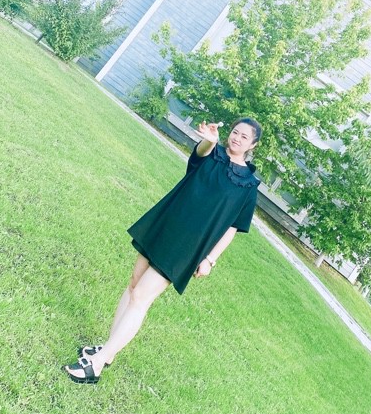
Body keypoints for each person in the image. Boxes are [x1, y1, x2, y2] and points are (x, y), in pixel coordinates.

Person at [63, 117, 262, 384]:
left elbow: (233, 227)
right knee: (133, 285)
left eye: (244, 137)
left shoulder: (249, 186)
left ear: (253, 145)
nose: (237, 138)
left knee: (141, 297)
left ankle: (96, 364)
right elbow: (200, 153)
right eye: (235, 132)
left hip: (189, 246)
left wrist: (210, 259)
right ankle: (108, 351)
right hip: (168, 223)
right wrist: (209, 141)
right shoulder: (212, 153)